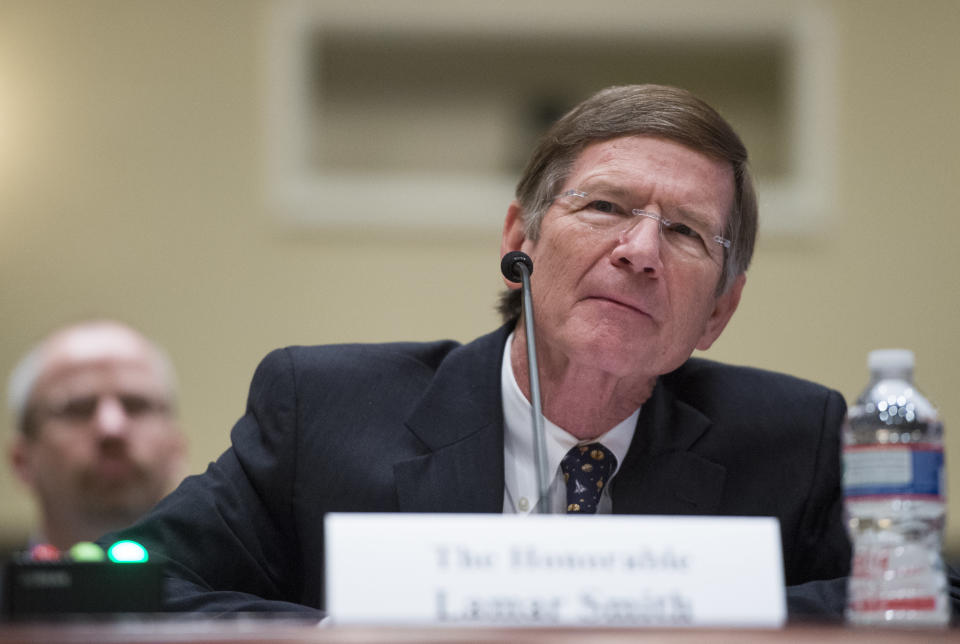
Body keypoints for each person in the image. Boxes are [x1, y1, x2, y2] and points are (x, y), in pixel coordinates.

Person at [111, 84, 856, 617]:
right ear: (518, 240)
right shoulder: (324, 410)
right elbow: (125, 583)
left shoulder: (793, 438)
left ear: (719, 311)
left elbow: (922, 599)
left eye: (686, 232)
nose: (639, 251)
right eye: (604, 207)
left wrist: (711, 620)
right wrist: (337, 637)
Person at [7, 320, 186, 551]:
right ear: (22, 461)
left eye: (136, 405)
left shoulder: (239, 586)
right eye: (78, 408)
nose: (112, 428)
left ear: (176, 450)